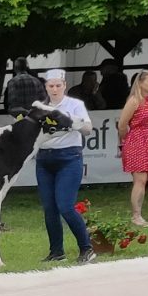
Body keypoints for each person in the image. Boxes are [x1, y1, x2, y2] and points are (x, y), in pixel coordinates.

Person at [32, 67, 93, 263]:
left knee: (66, 206)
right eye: (51, 86)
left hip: (69, 158)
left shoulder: (75, 104)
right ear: (46, 87)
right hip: (44, 159)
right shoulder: (40, 107)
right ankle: (56, 251)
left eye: (58, 85)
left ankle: (87, 248)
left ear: (64, 85)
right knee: (49, 208)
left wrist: (74, 122)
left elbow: (88, 129)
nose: (55, 89)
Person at [116, 67, 148, 230]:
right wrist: (125, 140)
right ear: (141, 83)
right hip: (137, 140)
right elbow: (122, 124)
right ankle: (136, 215)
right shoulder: (134, 101)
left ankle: (138, 213)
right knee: (140, 180)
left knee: (144, 180)